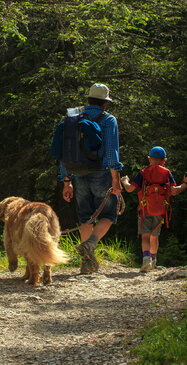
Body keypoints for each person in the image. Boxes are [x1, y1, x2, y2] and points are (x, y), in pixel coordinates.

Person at [60, 83, 123, 274]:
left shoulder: (74, 118)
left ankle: (86, 264)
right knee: (109, 215)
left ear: (87, 100)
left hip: (77, 174)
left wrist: (66, 180)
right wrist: (116, 179)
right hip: (101, 173)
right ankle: (90, 244)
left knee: (85, 218)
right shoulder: (108, 119)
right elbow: (111, 153)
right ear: (105, 103)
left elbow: (66, 152)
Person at [121, 146, 187, 272]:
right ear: (163, 161)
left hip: (145, 209)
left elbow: (130, 189)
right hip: (160, 210)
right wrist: (185, 184)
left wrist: (125, 181)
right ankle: (153, 261)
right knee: (155, 236)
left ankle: (146, 260)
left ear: (149, 159)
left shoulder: (143, 173)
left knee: (145, 236)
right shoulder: (166, 173)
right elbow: (174, 191)